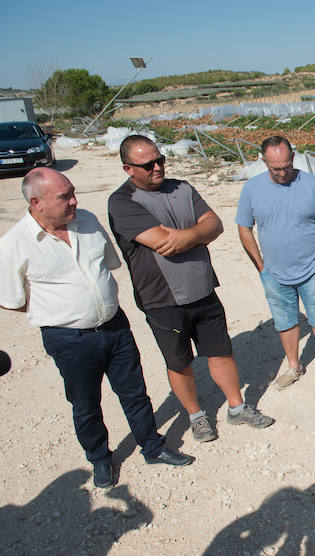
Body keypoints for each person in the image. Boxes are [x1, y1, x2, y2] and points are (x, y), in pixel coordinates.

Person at [0, 168, 194, 489]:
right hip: (69, 339)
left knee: (134, 392)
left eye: (74, 192)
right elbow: (11, 299)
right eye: (65, 197)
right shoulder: (14, 244)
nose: (75, 201)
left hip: (115, 326)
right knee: (86, 403)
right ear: (37, 202)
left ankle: (153, 447)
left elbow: (109, 265)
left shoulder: (88, 220)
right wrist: (57, 310)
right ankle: (100, 459)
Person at [108, 135, 274, 444]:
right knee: (179, 361)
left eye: (161, 159)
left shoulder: (183, 188)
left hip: (203, 288)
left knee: (221, 351)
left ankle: (237, 407)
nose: (158, 167)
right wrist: (198, 233)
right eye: (149, 164)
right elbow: (161, 241)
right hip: (161, 299)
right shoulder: (122, 202)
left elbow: (215, 224)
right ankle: (197, 416)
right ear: (128, 168)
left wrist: (187, 236)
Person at [236, 136, 315, 392]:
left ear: (293, 158)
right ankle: (294, 366)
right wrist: (261, 267)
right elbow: (244, 228)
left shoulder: (313, 185)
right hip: (273, 272)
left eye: (286, 165)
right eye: (275, 168)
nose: (282, 172)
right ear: (264, 162)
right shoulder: (252, 189)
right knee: (285, 321)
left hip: (311, 270)